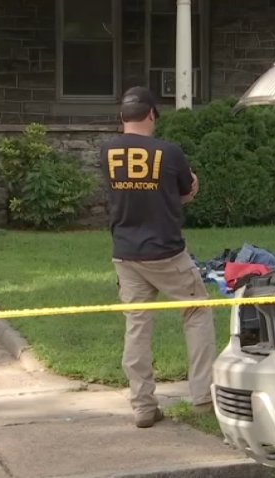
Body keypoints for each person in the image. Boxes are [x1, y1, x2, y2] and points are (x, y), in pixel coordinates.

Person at [100, 86, 216, 429]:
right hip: (167, 253)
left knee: (137, 325)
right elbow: (184, 192)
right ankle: (202, 397)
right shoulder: (170, 152)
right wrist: (189, 187)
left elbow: (127, 194)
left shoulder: (106, 152)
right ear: (152, 114)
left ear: (122, 117)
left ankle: (142, 405)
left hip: (126, 253)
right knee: (198, 312)